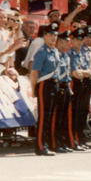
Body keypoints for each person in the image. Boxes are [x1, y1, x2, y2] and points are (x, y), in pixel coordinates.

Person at [29, 22, 61, 156]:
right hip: (44, 85)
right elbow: (35, 72)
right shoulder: (41, 52)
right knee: (44, 116)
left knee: (51, 115)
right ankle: (41, 146)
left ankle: (48, 143)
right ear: (44, 36)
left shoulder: (55, 51)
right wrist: (32, 89)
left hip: (54, 84)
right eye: (50, 35)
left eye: (55, 35)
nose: (53, 37)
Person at [68, 28, 91, 150]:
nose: (79, 42)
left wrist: (83, 72)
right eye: (77, 39)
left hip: (83, 84)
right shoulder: (70, 54)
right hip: (75, 84)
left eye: (81, 39)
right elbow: (75, 73)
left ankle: (80, 139)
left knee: (83, 113)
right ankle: (74, 140)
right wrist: (84, 72)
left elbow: (89, 71)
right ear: (72, 40)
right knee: (75, 113)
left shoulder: (82, 54)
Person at [51, 29, 76, 153]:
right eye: (66, 41)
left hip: (66, 85)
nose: (69, 43)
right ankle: (55, 143)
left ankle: (61, 141)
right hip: (59, 86)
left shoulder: (66, 55)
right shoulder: (56, 54)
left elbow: (67, 73)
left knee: (64, 117)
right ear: (59, 42)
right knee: (57, 116)